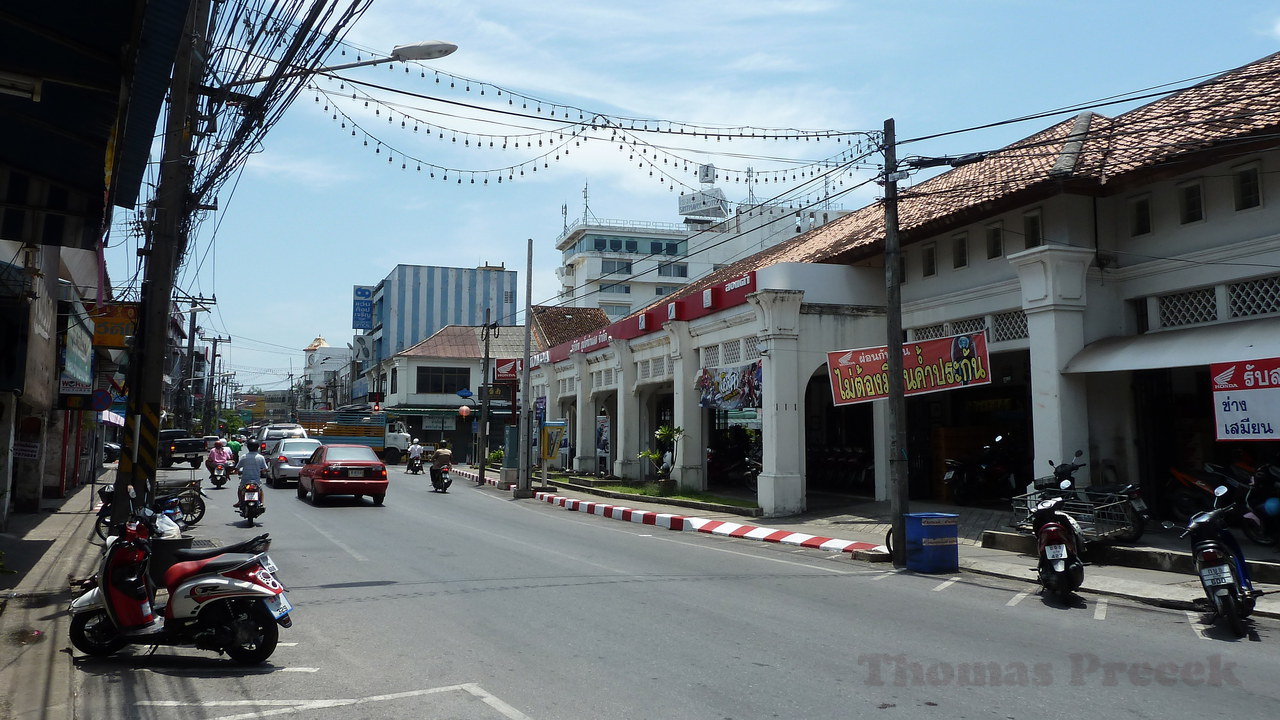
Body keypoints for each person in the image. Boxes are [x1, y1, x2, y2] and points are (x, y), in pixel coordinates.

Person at [234, 441, 270, 509]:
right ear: (257, 447)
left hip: (245, 480)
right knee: (260, 490)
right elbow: (265, 468)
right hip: (256, 480)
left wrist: (236, 471)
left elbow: (237, 468)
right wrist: (264, 471)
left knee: (240, 489)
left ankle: (240, 501)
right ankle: (262, 503)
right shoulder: (261, 457)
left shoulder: (244, 457)